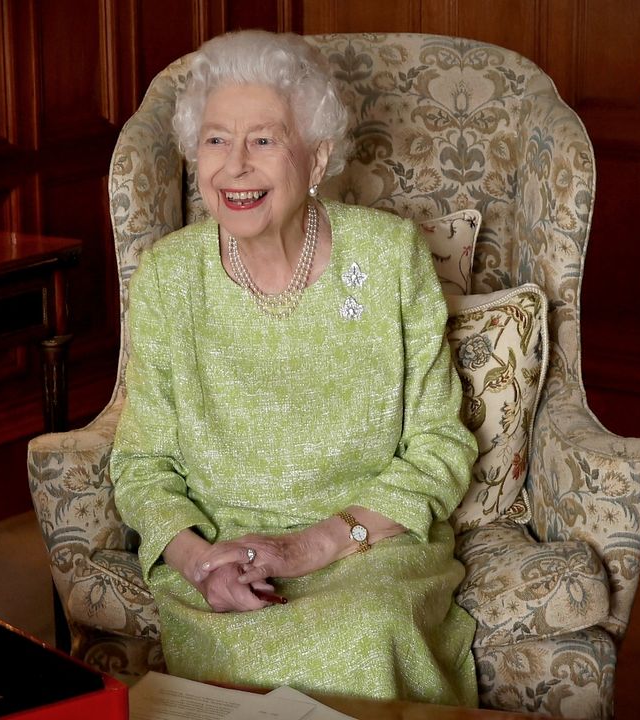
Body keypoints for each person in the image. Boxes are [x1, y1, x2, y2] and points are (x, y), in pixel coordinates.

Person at [110, 30, 479, 707]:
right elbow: (142, 465)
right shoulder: (168, 276)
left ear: (317, 158)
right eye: (216, 141)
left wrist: (310, 548)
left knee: (368, 634)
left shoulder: (391, 258)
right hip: (222, 563)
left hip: (368, 551)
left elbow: (439, 446)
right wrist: (198, 564)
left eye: (264, 140)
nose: (236, 167)